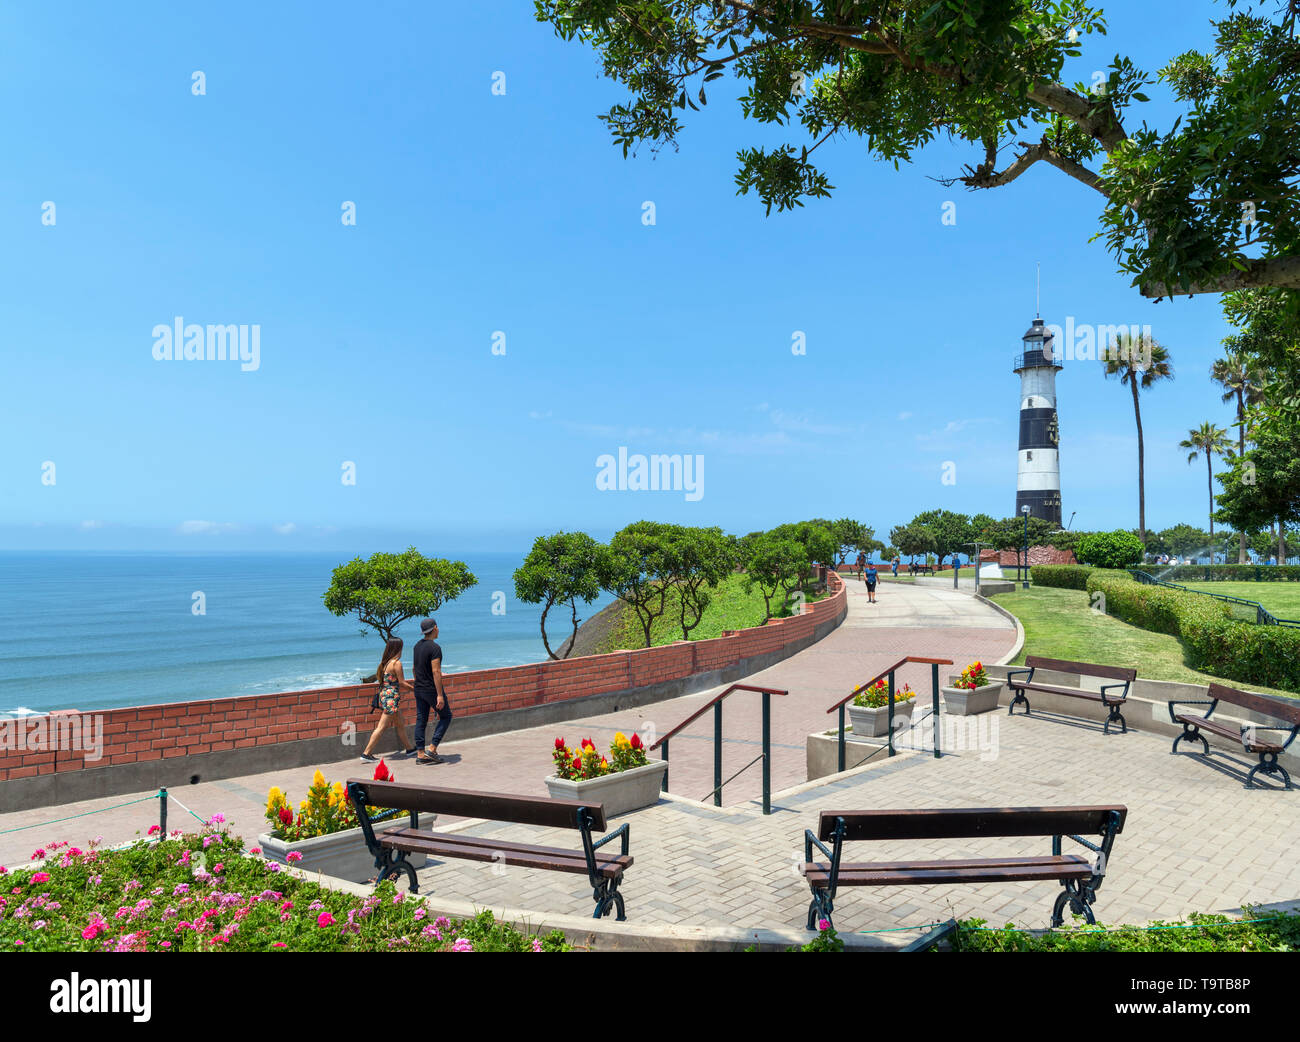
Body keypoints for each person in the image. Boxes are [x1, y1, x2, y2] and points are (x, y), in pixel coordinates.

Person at [361, 637, 417, 762]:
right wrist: (415, 690)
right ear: (398, 648)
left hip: (386, 695)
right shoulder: (396, 663)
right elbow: (402, 683)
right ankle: (366, 753)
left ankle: (409, 749)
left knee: (400, 724)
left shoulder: (385, 663)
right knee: (381, 727)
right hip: (391, 698)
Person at [413, 617, 452, 765]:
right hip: (431, 690)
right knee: (446, 716)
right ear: (435, 628)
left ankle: (420, 754)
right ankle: (432, 748)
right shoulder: (435, 648)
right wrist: (440, 695)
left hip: (419, 688)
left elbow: (414, 668)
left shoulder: (417, 646)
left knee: (421, 720)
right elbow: (436, 672)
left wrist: (419, 682)